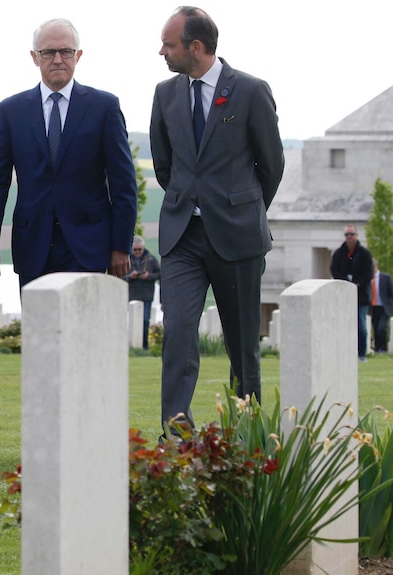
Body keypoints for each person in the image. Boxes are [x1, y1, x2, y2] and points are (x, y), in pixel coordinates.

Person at [150, 6, 285, 432]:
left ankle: (244, 436)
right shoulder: (164, 93)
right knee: (178, 335)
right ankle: (177, 434)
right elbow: (164, 164)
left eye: (168, 45)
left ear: (195, 46)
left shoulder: (250, 90)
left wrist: (238, 208)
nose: (161, 52)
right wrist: (190, 201)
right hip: (181, 237)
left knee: (242, 346)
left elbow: (272, 164)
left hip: (237, 238)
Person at [0, 18, 137, 293]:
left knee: (85, 333)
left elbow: (123, 184)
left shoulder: (104, 107)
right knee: (40, 334)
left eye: (66, 51)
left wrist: (121, 246)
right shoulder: (11, 111)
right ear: (35, 57)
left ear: (78, 55)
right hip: (33, 246)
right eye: (48, 52)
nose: (58, 59)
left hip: (89, 246)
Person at [330, 225, 374, 361]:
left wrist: (357, 283)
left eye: (352, 234)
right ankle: (345, 353)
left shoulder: (364, 254)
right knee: (343, 326)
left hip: (360, 296)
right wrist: (344, 282)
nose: (349, 237)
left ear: (356, 235)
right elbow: (334, 270)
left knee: (361, 327)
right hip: (343, 296)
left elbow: (368, 273)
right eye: (347, 235)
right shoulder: (338, 254)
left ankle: (361, 354)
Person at [123, 236, 161, 349]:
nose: (138, 252)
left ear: (143, 248)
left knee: (145, 321)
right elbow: (120, 276)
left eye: (140, 249)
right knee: (131, 322)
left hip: (146, 294)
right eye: (135, 250)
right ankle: (131, 345)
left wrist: (149, 276)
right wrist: (131, 276)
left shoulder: (151, 259)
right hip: (131, 295)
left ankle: (144, 346)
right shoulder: (126, 260)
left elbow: (160, 274)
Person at [370, 258, 393, 354]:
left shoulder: (385, 277)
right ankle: (377, 348)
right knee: (375, 328)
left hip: (384, 308)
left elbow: (391, 292)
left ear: (375, 266)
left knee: (382, 327)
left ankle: (383, 348)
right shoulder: (368, 279)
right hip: (373, 308)